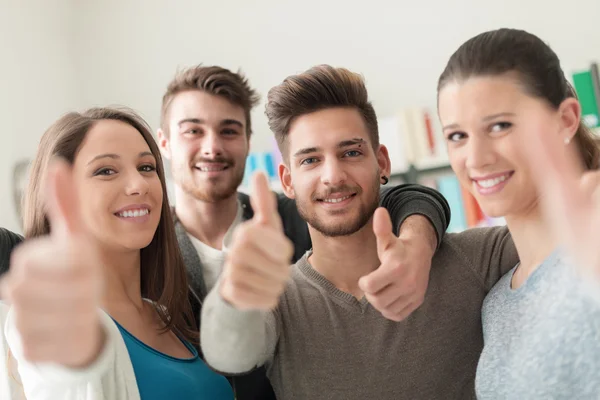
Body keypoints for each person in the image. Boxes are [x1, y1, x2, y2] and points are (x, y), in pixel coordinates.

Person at [200, 65, 519, 400]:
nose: (333, 176)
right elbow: (229, 354)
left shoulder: (472, 258)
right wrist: (234, 294)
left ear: (382, 163)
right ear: (288, 180)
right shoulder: (279, 303)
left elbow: (563, 231)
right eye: (310, 160)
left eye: (350, 153)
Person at [157, 66, 453, 399]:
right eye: (193, 131)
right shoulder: (150, 254)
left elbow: (399, 197)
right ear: (164, 142)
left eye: (228, 130)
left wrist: (417, 242)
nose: (212, 147)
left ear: (247, 141)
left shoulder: (297, 215)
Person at [0, 108, 234, 399]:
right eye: (106, 171)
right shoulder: (59, 319)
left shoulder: (166, 314)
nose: (138, 185)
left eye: (147, 167)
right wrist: (75, 360)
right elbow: (62, 379)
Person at [437, 28, 600, 399]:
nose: (476, 158)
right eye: (457, 136)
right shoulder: (495, 303)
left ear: (567, 120)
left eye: (499, 126)